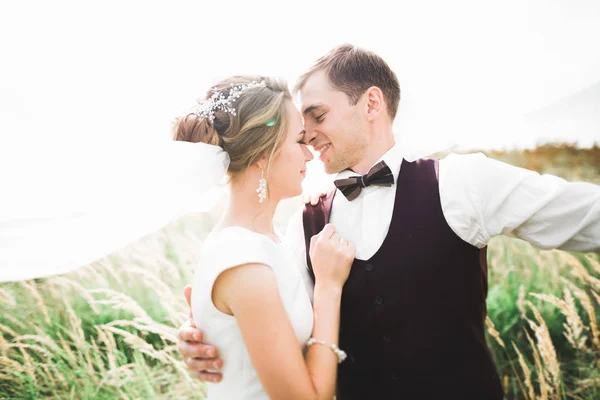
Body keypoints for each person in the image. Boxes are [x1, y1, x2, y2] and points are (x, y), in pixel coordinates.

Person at [177, 45, 600, 399]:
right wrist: (209, 336)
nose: (306, 136)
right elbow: (278, 324)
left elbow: (584, 215)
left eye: (318, 116)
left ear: (372, 104)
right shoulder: (301, 226)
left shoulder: (461, 182)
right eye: (301, 129)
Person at [175, 76, 356, 400]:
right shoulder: (243, 261)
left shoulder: (270, 243)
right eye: (299, 140)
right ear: (264, 155)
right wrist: (329, 288)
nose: (309, 155)